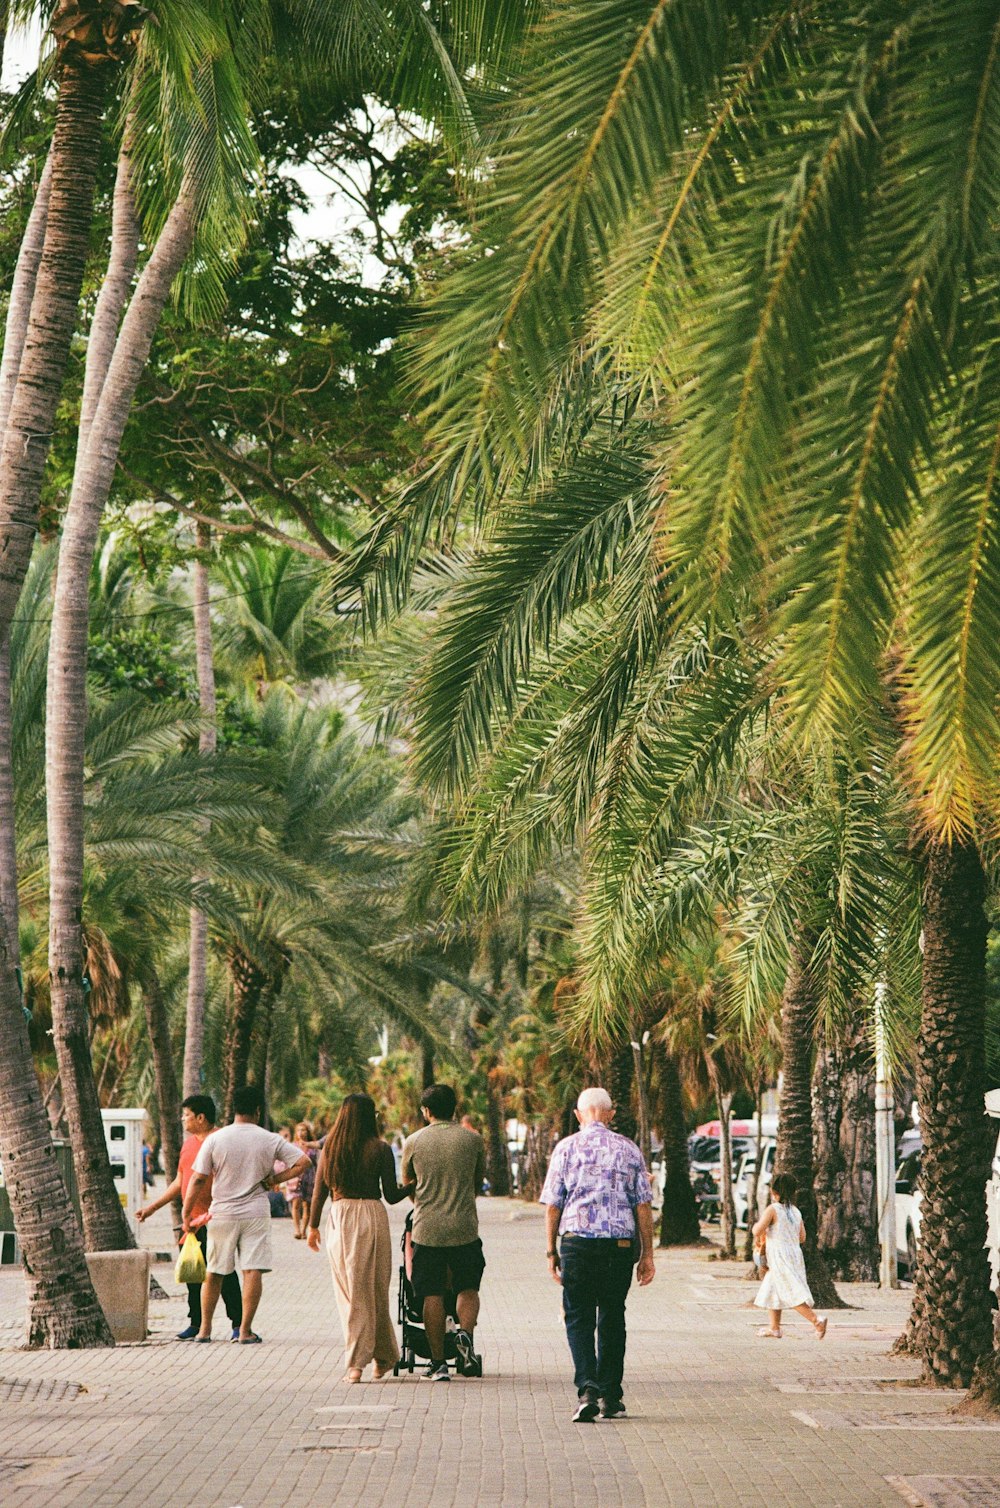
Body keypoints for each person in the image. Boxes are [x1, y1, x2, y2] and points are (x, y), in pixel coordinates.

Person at [540, 1086, 655, 1422]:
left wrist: (551, 1251)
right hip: (618, 1247)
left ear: (579, 1115)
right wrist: (648, 1254)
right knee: (612, 1316)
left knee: (578, 1316)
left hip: (576, 1243)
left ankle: (587, 1388)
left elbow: (552, 1205)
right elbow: (643, 1205)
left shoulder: (565, 1148)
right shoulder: (629, 1149)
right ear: (611, 1113)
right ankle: (610, 1396)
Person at [182, 1085, 309, 1343]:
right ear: (258, 1111)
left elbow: (197, 1179)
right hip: (255, 1212)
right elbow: (303, 1162)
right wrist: (275, 1179)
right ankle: (244, 1331)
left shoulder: (216, 1139)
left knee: (214, 1272)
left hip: (222, 1213)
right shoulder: (269, 1138)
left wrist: (186, 1214)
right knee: (252, 1271)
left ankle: (204, 1330)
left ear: (234, 1109)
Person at [306, 1094, 412, 1382]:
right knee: (373, 1289)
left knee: (351, 1292)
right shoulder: (380, 1149)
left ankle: (364, 1361)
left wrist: (311, 1227)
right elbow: (391, 1195)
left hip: (339, 1218)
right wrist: (412, 1186)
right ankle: (379, 1357)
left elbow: (319, 1192)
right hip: (372, 1217)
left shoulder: (330, 1148)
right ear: (370, 1117)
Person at [136, 1094, 243, 1341]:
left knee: (224, 1272)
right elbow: (180, 1181)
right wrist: (152, 1208)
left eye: (186, 1115)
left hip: (216, 1218)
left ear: (201, 1117)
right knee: (193, 1271)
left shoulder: (222, 1140)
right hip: (191, 1222)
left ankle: (238, 1323)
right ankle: (195, 1323)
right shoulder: (188, 1144)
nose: (183, 1119)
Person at [401, 1083, 487, 1382]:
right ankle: (464, 1334)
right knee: (468, 1287)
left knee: (431, 1292)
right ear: (455, 1109)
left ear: (426, 1111)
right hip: (465, 1226)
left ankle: (438, 1363)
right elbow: (478, 1182)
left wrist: (424, 1202)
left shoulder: (414, 1141)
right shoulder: (473, 1141)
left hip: (428, 1229)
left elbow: (409, 1183)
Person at [752, 1172, 828, 1340]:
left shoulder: (772, 1210)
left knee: (790, 1291)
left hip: (779, 1255)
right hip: (794, 1254)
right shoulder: (796, 1211)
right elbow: (802, 1237)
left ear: (774, 1191)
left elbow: (757, 1230)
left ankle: (816, 1320)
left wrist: (759, 1228)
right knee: (773, 1288)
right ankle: (774, 1328)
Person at [286, 1121, 318, 1239]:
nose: (301, 1133)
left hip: (309, 1178)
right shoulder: (292, 1146)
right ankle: (297, 1230)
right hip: (295, 1178)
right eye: (299, 1130)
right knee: (295, 1204)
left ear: (308, 1132)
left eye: (303, 1130)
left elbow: (316, 1164)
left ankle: (304, 1230)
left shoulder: (313, 1146)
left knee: (307, 1206)